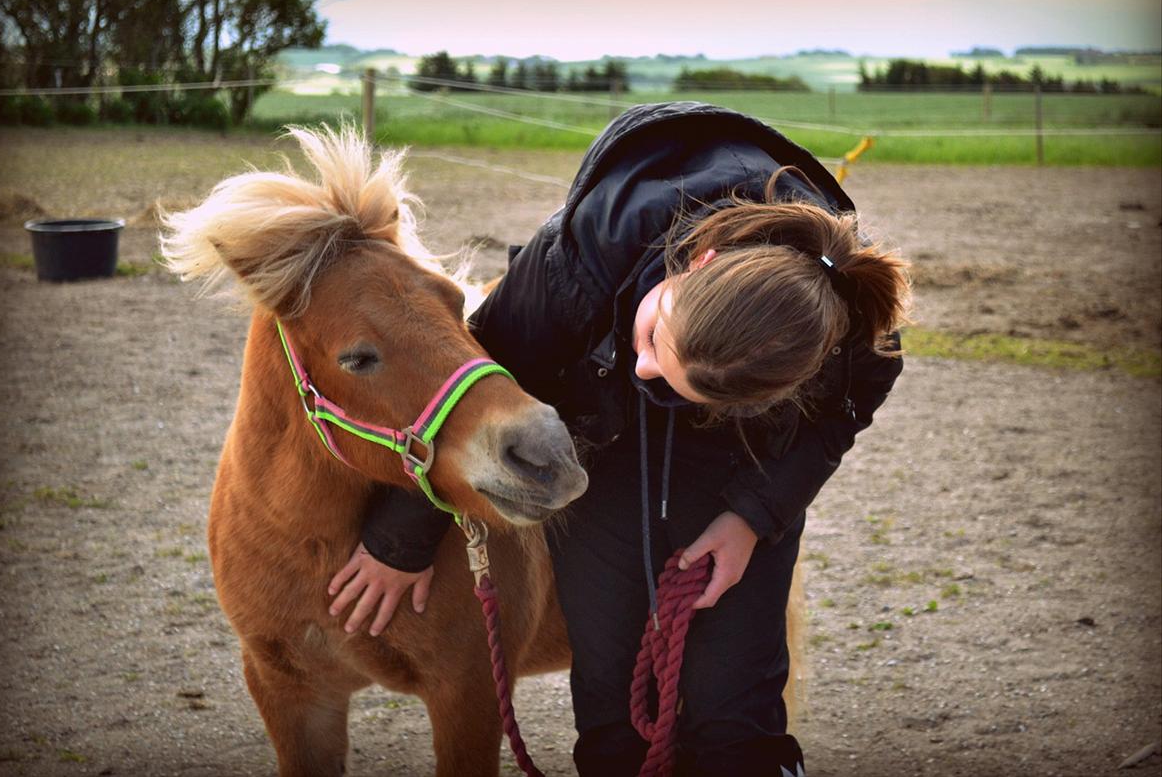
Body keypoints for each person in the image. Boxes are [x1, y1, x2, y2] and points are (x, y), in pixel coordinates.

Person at [326, 102, 910, 776]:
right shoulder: (586, 252)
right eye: (656, 339)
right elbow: (480, 381)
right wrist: (402, 539)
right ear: (698, 260)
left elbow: (842, 411)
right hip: (600, 458)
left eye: (675, 378)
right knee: (610, 698)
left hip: (738, 468)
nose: (643, 367)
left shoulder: (846, 327)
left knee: (735, 712)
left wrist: (755, 514)